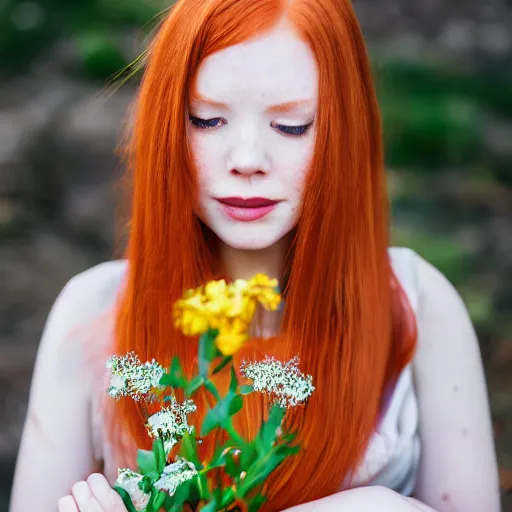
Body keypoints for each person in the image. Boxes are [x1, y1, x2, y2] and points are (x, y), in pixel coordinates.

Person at [9, 0, 501, 511]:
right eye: (207, 120)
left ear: (343, 130)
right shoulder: (93, 313)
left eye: (291, 126)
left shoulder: (418, 306)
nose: (247, 160)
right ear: (166, 127)